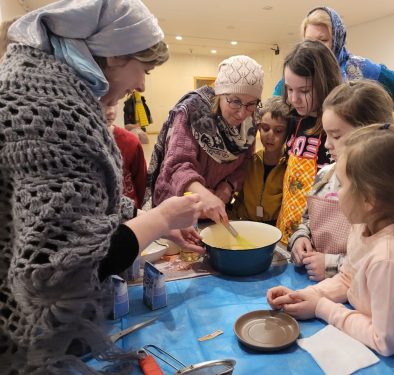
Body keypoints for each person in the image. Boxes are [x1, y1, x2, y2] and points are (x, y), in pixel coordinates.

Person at [0, 0, 204, 373]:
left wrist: (152, 220)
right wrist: (159, 219)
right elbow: (67, 265)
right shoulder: (51, 113)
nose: (142, 85)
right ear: (113, 57)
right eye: (142, 69)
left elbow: (83, 209)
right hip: (19, 343)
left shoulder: (43, 93)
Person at [268, 124, 394, 373]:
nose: (337, 192)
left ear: (369, 199)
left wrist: (322, 308)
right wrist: (309, 296)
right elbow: (348, 278)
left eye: (342, 185)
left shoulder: (391, 260)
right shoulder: (364, 226)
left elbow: (387, 341)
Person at [289, 80, 394, 282]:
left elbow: (383, 259)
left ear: (370, 133)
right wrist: (301, 237)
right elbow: (307, 221)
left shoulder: (386, 192)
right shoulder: (325, 176)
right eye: (325, 134)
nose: (327, 144)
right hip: (314, 286)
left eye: (336, 136)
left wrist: (333, 265)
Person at [149, 55, 264, 223]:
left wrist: (227, 187)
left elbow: (245, 163)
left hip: (213, 209)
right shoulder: (192, 112)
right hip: (177, 205)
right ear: (220, 93)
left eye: (251, 104)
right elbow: (177, 165)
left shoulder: (251, 123)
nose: (242, 113)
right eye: (235, 101)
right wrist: (204, 195)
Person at [272, 6, 394, 109]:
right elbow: (276, 107)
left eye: (322, 40)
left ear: (337, 39)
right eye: (309, 41)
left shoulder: (362, 68)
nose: (314, 47)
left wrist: (370, 117)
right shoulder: (296, 72)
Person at [275, 40, 342, 244]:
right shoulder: (293, 120)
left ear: (325, 84)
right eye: (289, 89)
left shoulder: (338, 128)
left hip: (321, 239)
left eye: (304, 91)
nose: (294, 99)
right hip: (287, 232)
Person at [229, 96, 289, 224]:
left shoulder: (288, 166)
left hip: (275, 228)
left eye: (278, 131)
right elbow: (240, 196)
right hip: (246, 223)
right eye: (265, 128)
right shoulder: (250, 162)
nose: (270, 135)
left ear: (287, 133)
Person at [104, 104, 147, 208]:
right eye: (104, 103)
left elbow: (141, 182)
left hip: (130, 214)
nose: (111, 111)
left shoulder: (131, 142)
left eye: (115, 103)